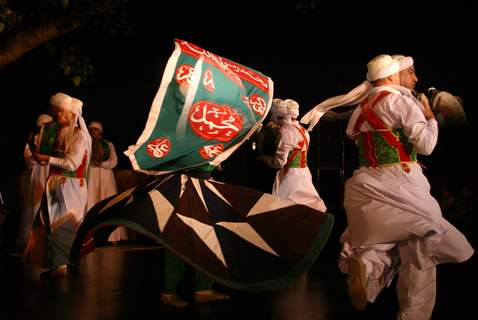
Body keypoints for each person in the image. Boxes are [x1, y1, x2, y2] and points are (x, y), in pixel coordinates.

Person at [337, 54, 474, 319]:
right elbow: (427, 146)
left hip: (367, 182)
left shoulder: (360, 108)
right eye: (411, 72)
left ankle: (366, 269)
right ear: (393, 75)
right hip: (401, 181)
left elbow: (368, 143)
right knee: (426, 239)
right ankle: (414, 314)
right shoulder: (400, 102)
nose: (415, 78)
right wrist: (431, 118)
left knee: (383, 238)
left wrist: (401, 153)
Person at [23, 93, 91, 278]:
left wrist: (48, 158)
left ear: (72, 115)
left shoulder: (79, 137)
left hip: (71, 186)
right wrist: (39, 154)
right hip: (54, 184)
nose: (58, 116)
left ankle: (62, 265)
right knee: (49, 222)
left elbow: (72, 164)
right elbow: (44, 159)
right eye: (58, 112)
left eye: (62, 113)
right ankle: (54, 263)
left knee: (64, 224)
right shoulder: (58, 133)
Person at [160, 165, 229, 307]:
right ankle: (168, 291)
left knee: (207, 239)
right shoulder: (182, 144)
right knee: (177, 241)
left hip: (202, 188)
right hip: (182, 190)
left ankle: (204, 289)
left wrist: (214, 161)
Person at [259, 98, 327, 213]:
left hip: (290, 177)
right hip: (304, 172)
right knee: (306, 205)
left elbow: (280, 163)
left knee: (288, 207)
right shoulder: (303, 130)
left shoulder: (285, 132)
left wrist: (264, 158)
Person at [86, 121, 128, 243]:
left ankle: (112, 237)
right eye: (91, 129)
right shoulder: (86, 143)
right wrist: (92, 163)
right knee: (92, 200)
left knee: (107, 201)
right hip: (92, 174)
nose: (93, 131)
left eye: (96, 129)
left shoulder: (108, 144)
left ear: (100, 131)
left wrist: (102, 164)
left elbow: (114, 161)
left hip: (105, 175)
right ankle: (89, 236)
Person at [17, 114, 54, 249]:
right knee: (34, 206)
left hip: (51, 172)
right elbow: (29, 161)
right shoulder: (33, 140)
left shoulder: (55, 139)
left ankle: (49, 242)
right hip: (38, 174)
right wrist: (38, 157)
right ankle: (27, 241)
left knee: (50, 207)